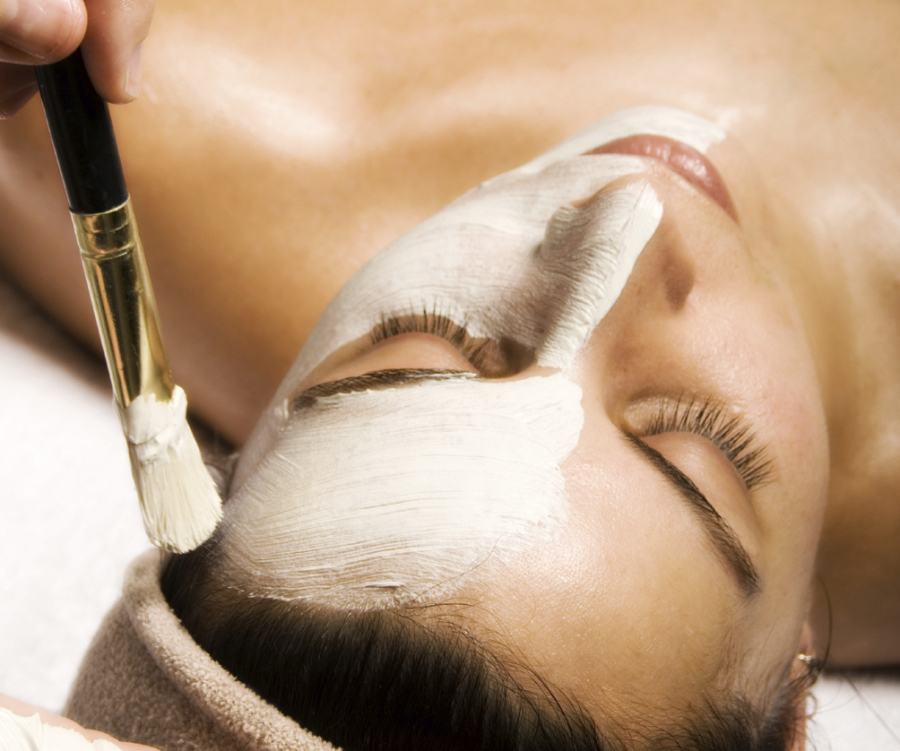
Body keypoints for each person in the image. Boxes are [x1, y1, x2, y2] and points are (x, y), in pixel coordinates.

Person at [1, 1, 898, 749]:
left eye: (427, 344)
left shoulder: (110, 108)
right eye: (695, 447)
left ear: (235, 456)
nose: (634, 211)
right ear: (795, 695)